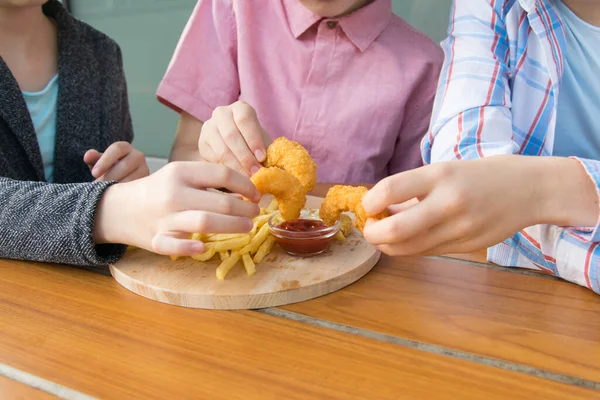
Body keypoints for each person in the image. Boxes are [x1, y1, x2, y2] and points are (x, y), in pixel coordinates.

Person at [361, 0, 600, 294]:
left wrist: (539, 191)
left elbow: (482, 203)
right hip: (513, 302)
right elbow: (466, 183)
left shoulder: (414, 60)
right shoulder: (489, 5)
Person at [0, 0, 261, 269]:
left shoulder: (101, 54)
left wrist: (128, 182)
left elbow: (101, 191)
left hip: (86, 294)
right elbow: (106, 209)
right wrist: (109, 209)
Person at [157, 0, 443, 184]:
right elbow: (185, 153)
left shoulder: (425, 66)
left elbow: (411, 205)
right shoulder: (230, 8)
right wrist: (216, 161)